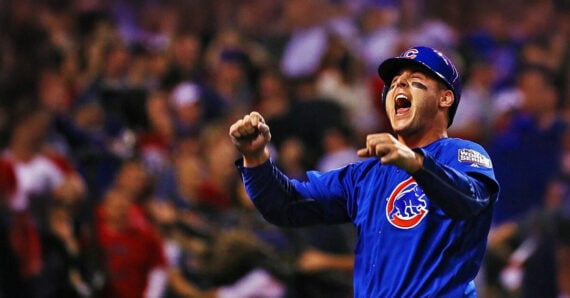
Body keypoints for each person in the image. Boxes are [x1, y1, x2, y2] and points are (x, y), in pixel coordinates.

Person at [229, 46, 500, 297]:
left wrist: (417, 163)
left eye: (415, 79)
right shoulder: (366, 176)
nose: (399, 85)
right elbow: (286, 205)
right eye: (393, 83)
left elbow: (473, 200)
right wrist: (255, 158)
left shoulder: (461, 153)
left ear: (445, 97)